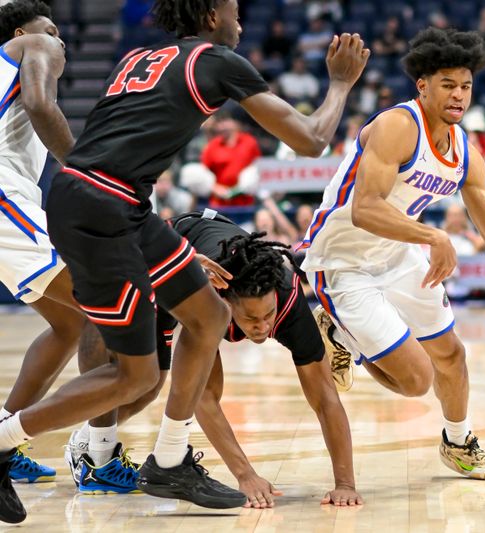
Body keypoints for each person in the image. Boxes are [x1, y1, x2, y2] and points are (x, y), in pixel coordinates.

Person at [0, 0, 369, 521]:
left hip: (121, 202)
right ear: (211, 12)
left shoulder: (140, 57)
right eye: (235, 11)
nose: (240, 22)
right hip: (101, 207)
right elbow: (310, 140)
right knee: (136, 377)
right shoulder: (215, 59)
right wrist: (340, 83)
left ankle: (170, 459)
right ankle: (5, 439)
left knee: (210, 315)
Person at [299, 28, 485, 481]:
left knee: (451, 355)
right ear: (423, 86)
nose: (459, 95)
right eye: (448, 84)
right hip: (344, 260)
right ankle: (338, 333)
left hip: (400, 252)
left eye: (466, 85)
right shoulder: (397, 127)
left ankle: (459, 442)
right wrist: (434, 237)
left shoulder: (466, 151)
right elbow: (365, 209)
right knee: (416, 381)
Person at [94, 210, 360, 507]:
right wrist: (245, 475)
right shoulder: (205, 300)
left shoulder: (289, 300)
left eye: (268, 314)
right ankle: (91, 447)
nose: (262, 327)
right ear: (225, 302)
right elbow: (203, 397)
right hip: (172, 258)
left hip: (216, 236)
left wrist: (345, 484)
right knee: (146, 384)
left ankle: (94, 447)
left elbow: (325, 397)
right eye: (251, 318)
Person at [0, 0, 87, 496]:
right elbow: (39, 104)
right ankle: (99, 455)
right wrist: (83, 169)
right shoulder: (33, 44)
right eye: (51, 29)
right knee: (109, 302)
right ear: (21, 31)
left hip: (12, 203)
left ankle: (6, 446)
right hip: (3, 200)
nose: (60, 39)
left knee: (70, 322)